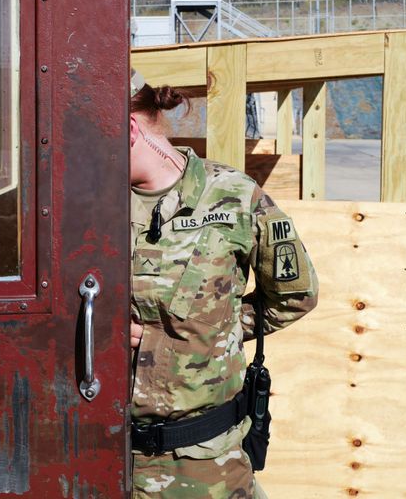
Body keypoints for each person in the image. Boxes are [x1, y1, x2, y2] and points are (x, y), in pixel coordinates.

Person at [128, 71, 318, 498]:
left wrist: (221, 327)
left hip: (206, 470)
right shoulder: (87, 203)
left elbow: (295, 296)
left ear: (129, 129)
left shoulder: (234, 197)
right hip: (99, 457)